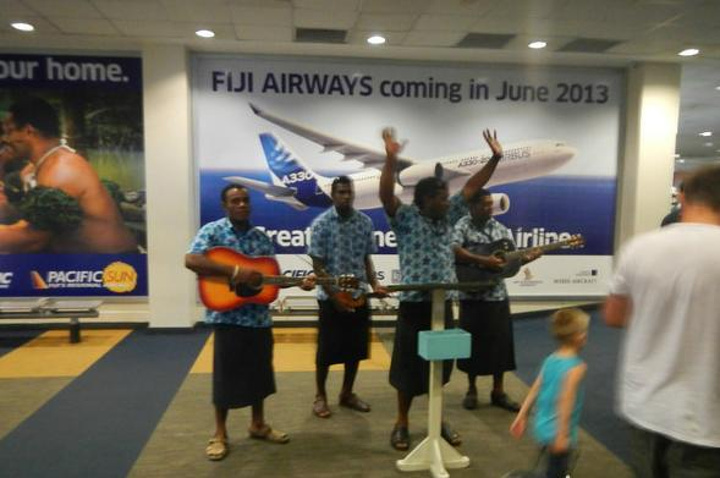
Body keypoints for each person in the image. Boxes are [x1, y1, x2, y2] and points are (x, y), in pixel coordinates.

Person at [380, 127, 504, 451]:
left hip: (444, 304)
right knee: (408, 368)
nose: (448, 202)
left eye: (448, 198)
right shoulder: (406, 218)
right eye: (442, 198)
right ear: (424, 200)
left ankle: (437, 419)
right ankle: (402, 422)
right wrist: (390, 160)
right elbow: (386, 196)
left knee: (441, 365)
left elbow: (472, 187)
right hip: (414, 305)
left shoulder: (449, 218)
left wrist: (495, 158)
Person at [604, 165, 720, 477]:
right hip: (705, 418)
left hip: (644, 406)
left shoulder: (640, 247)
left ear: (683, 198)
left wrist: (658, 314)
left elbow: (613, 316)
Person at [185, 184, 315, 461]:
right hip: (227, 317)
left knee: (259, 376)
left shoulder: (261, 238)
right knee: (226, 378)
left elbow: (268, 279)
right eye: (235, 201)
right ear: (225, 206)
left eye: (245, 200)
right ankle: (220, 433)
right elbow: (192, 259)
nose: (242, 204)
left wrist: (299, 283)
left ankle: (258, 424)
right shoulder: (212, 231)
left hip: (257, 319)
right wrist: (235, 271)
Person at [0, 96, 136, 253]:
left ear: (28, 131)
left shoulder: (61, 170)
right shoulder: (37, 167)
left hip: (112, 265)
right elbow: (24, 213)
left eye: (9, 132)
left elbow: (30, 240)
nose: (4, 139)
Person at [452, 189, 542, 412]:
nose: (489, 208)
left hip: (497, 296)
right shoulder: (462, 225)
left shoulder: (500, 229)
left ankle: (498, 391)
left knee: (500, 345)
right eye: (483, 204)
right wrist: (483, 260)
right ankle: (471, 389)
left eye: (490, 204)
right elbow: (453, 250)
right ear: (471, 206)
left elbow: (508, 263)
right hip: (471, 295)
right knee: (472, 345)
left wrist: (525, 259)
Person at [307, 175, 388, 418]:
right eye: (341, 192)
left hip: (359, 295)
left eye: (349, 192)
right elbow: (318, 265)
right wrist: (335, 297)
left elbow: (366, 259)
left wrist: (374, 283)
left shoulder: (365, 222)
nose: (345, 196)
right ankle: (320, 396)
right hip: (330, 298)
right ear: (333, 195)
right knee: (326, 351)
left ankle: (347, 393)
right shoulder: (321, 224)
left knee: (355, 348)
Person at [509, 308, 589, 478]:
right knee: (555, 472)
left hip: (542, 425)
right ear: (577, 337)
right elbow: (565, 400)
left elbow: (536, 388)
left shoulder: (551, 359)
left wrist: (521, 415)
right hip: (558, 431)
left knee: (550, 465)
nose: (586, 335)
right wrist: (562, 435)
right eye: (583, 331)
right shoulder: (577, 367)